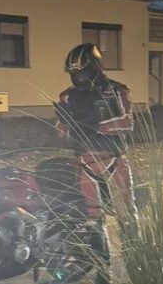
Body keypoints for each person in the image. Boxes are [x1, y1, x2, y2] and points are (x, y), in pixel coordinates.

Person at [54, 42, 136, 224]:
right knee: (92, 216)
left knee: (125, 215)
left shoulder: (117, 91)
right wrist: (64, 123)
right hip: (84, 160)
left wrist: (95, 126)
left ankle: (133, 242)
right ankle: (99, 242)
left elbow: (127, 122)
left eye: (83, 73)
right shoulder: (67, 96)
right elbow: (61, 129)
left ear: (95, 68)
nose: (79, 78)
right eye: (75, 74)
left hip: (113, 157)